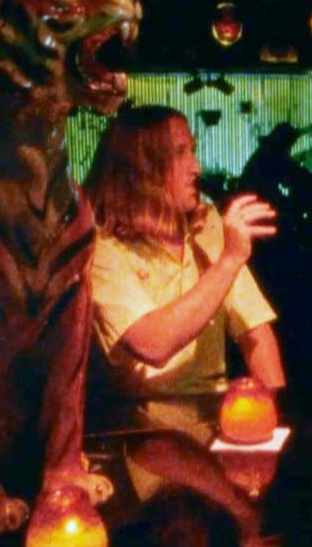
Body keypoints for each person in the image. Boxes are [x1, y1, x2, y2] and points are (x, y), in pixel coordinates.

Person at [84, 105, 286, 441]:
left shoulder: (209, 227)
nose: (197, 167)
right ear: (142, 168)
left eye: (192, 150)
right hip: (137, 422)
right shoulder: (103, 244)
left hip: (214, 412)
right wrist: (230, 259)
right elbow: (153, 343)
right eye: (180, 153)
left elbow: (256, 334)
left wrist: (271, 417)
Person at [239, 121, 309, 205]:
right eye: (290, 144)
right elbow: (289, 177)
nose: (290, 149)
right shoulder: (272, 155)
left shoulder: (266, 152)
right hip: (255, 203)